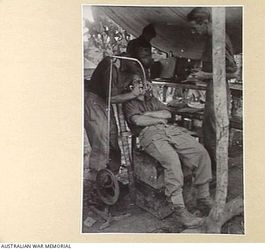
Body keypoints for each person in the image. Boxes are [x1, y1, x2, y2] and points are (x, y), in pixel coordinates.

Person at [123, 76, 214, 228]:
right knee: (172, 161)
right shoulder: (130, 103)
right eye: (139, 83)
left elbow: (168, 115)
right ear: (131, 87)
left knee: (200, 152)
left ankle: (203, 197)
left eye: (144, 82)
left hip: (168, 130)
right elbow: (138, 121)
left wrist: (148, 115)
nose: (144, 85)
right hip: (148, 134)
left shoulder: (152, 100)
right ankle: (179, 209)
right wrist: (156, 118)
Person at [186, 7, 238, 170]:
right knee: (209, 128)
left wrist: (204, 76)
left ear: (205, 22)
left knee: (214, 130)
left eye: (195, 28)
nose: (194, 32)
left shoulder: (219, 38)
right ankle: (212, 168)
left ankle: (218, 170)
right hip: (213, 88)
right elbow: (217, 68)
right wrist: (201, 73)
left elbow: (232, 72)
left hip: (219, 90)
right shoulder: (210, 39)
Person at [84, 57, 146, 175]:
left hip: (104, 103)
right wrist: (133, 94)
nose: (136, 82)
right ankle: (98, 178)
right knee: (102, 141)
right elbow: (111, 98)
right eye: (135, 79)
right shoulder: (111, 67)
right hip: (94, 102)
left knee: (112, 137)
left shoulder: (122, 68)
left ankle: (112, 177)